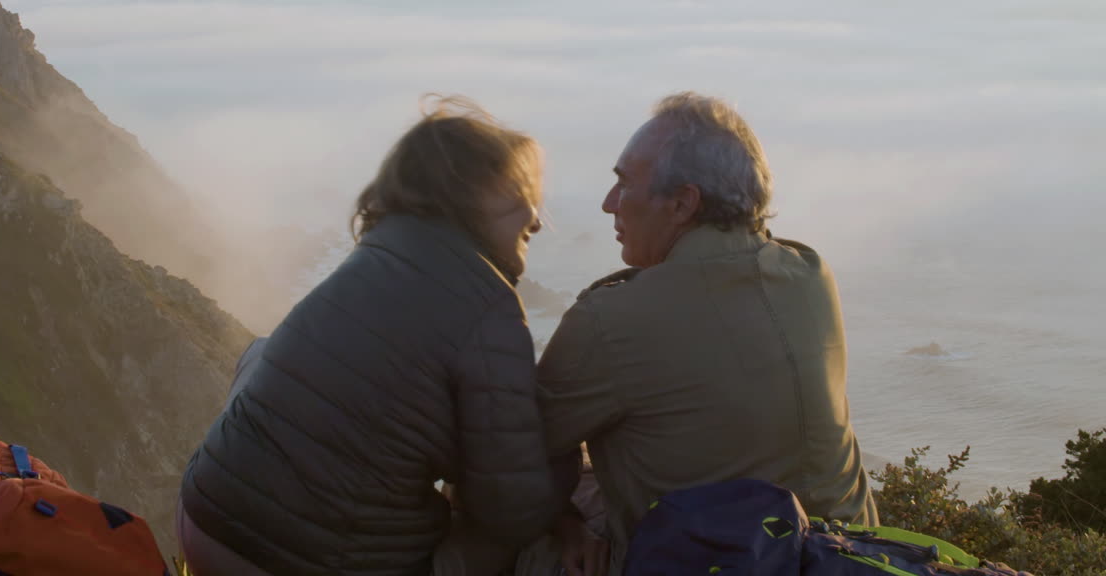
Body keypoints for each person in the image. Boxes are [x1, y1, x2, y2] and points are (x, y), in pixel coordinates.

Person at [177, 97, 564, 576]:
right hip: (298, 562)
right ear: (471, 191)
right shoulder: (490, 307)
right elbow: (512, 509)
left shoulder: (376, 253)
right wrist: (566, 483)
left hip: (203, 519)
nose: (538, 218)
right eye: (522, 190)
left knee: (262, 352)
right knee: (512, 534)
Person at [537, 92, 878, 576]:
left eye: (623, 183)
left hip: (724, 563)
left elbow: (516, 451)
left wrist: (564, 526)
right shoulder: (811, 274)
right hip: (853, 557)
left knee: (495, 523)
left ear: (682, 204)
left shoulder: (612, 319)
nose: (608, 203)